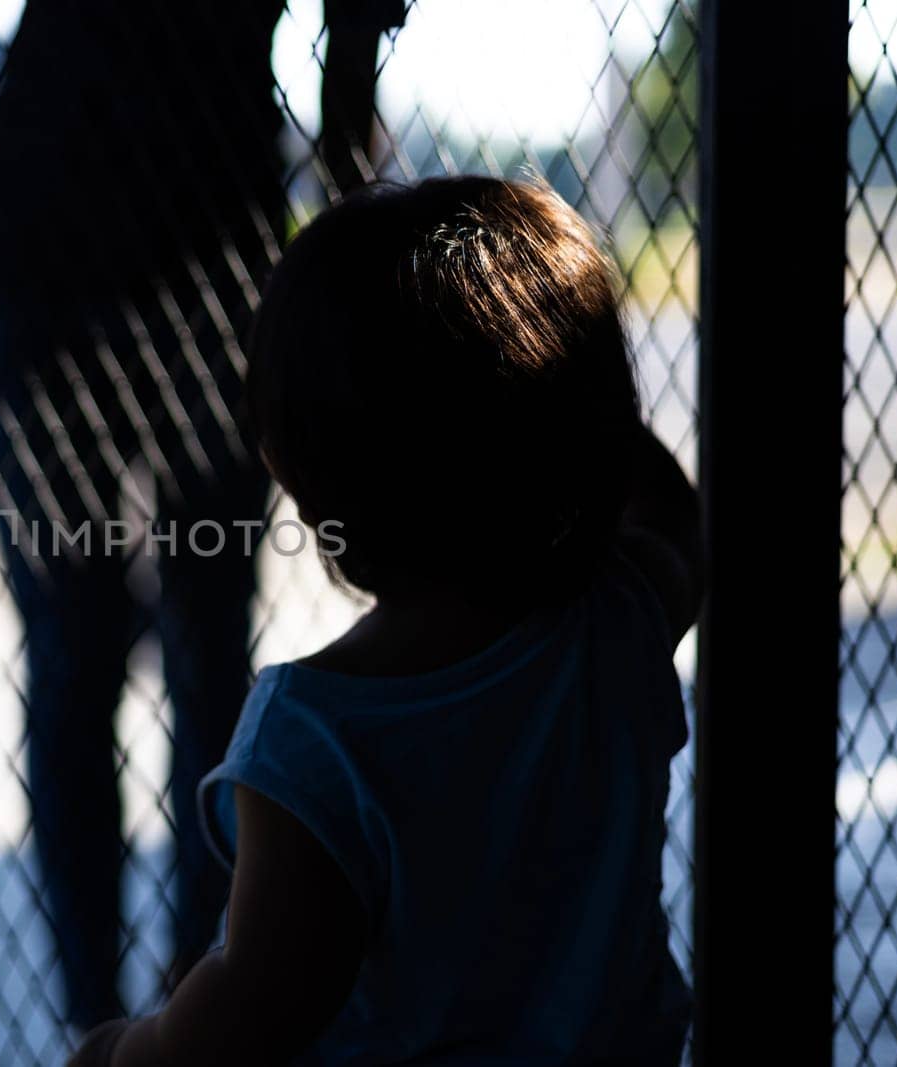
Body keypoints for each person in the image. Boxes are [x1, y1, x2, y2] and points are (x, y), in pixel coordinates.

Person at [68, 176, 700, 1065]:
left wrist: (116, 1050)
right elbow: (672, 518)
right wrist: (564, 403)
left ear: (308, 485)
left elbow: (247, 1016)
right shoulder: (617, 625)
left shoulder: (318, 743)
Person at [0, 0, 408, 1034]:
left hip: (149, 238)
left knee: (157, 647)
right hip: (111, 237)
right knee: (124, 648)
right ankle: (124, 1013)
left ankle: (183, 1000)